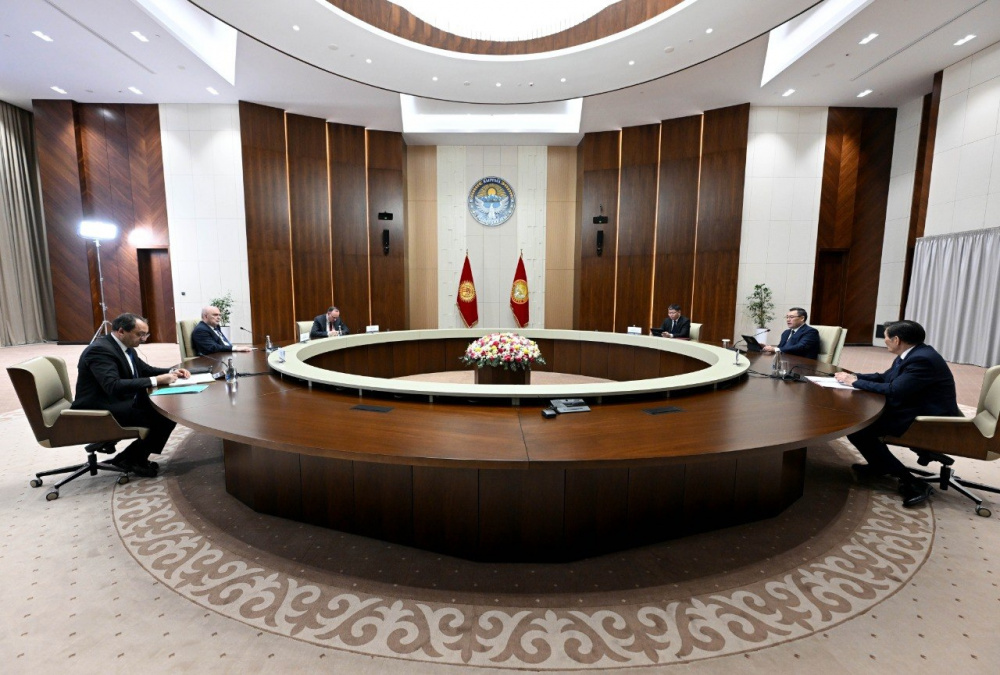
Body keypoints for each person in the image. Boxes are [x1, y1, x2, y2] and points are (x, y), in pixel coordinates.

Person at [834, 320, 961, 507]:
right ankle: (879, 466)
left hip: (927, 418)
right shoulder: (913, 353)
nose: (884, 340)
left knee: (860, 429)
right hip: (914, 406)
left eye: (885, 337)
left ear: (896, 340)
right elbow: (886, 378)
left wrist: (854, 383)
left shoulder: (922, 359)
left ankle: (913, 483)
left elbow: (894, 390)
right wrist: (855, 376)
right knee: (860, 425)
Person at [73, 313, 190, 478]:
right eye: (140, 334)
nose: (144, 339)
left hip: (117, 400)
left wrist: (172, 371)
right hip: (99, 406)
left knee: (167, 410)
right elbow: (113, 386)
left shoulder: (126, 347)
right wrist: (156, 380)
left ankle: (129, 458)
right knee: (164, 415)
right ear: (121, 331)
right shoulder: (100, 350)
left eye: (146, 334)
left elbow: (145, 370)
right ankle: (132, 459)